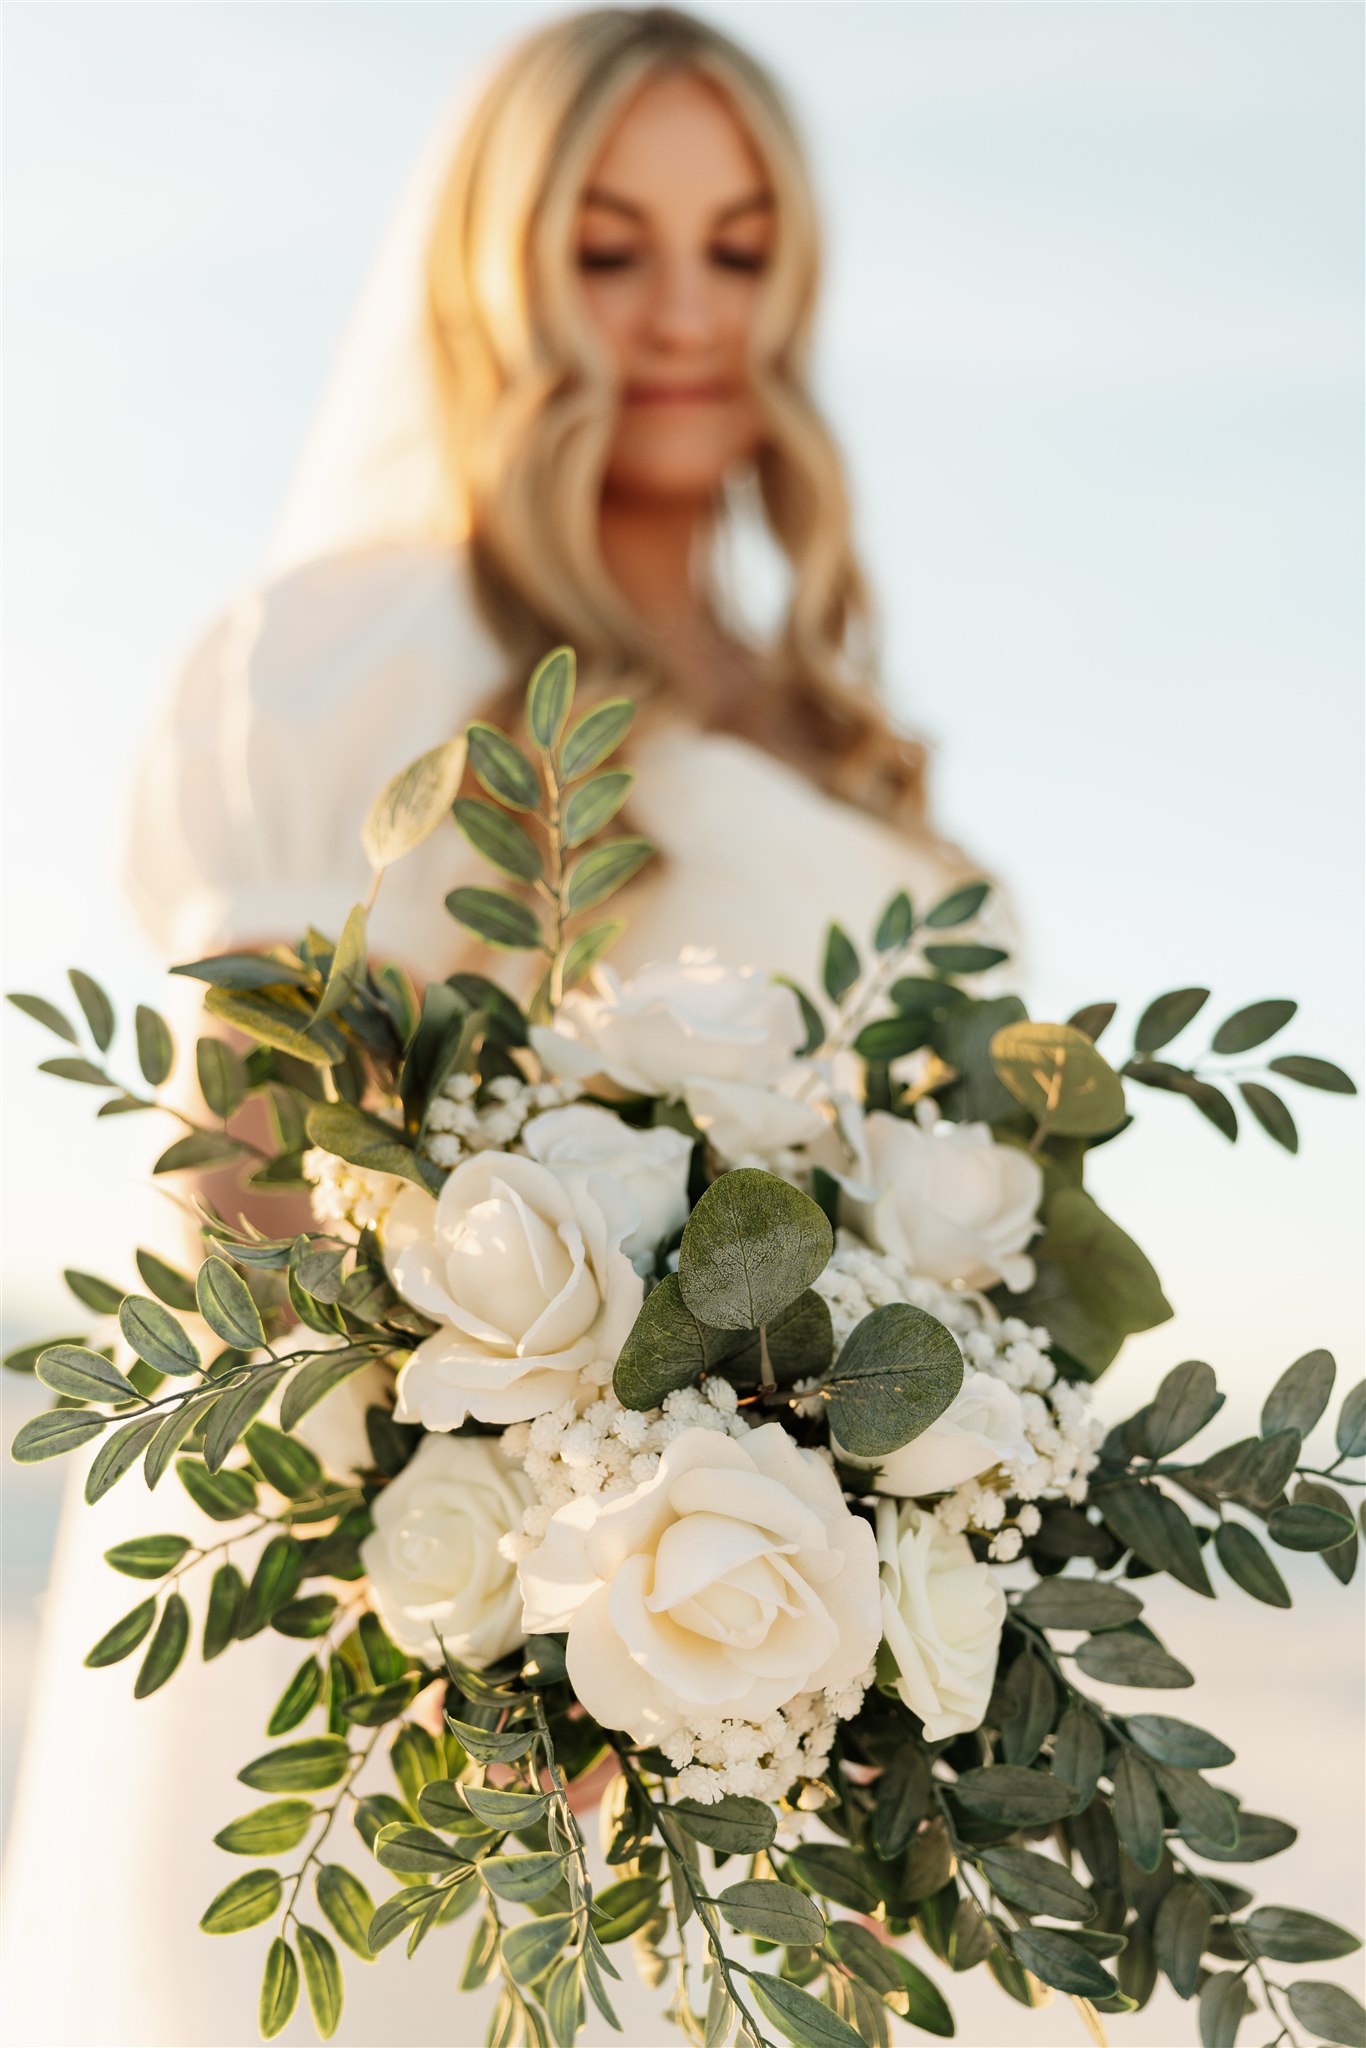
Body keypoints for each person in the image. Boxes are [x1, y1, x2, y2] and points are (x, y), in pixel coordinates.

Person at [3, 12, 1006, 2044]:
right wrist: (546, 1638)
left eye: (734, 250)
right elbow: (243, 1233)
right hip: (448, 1736)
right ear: (493, 263)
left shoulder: (837, 737)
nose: (676, 314)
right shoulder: (345, 668)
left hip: (786, 1759)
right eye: (603, 244)